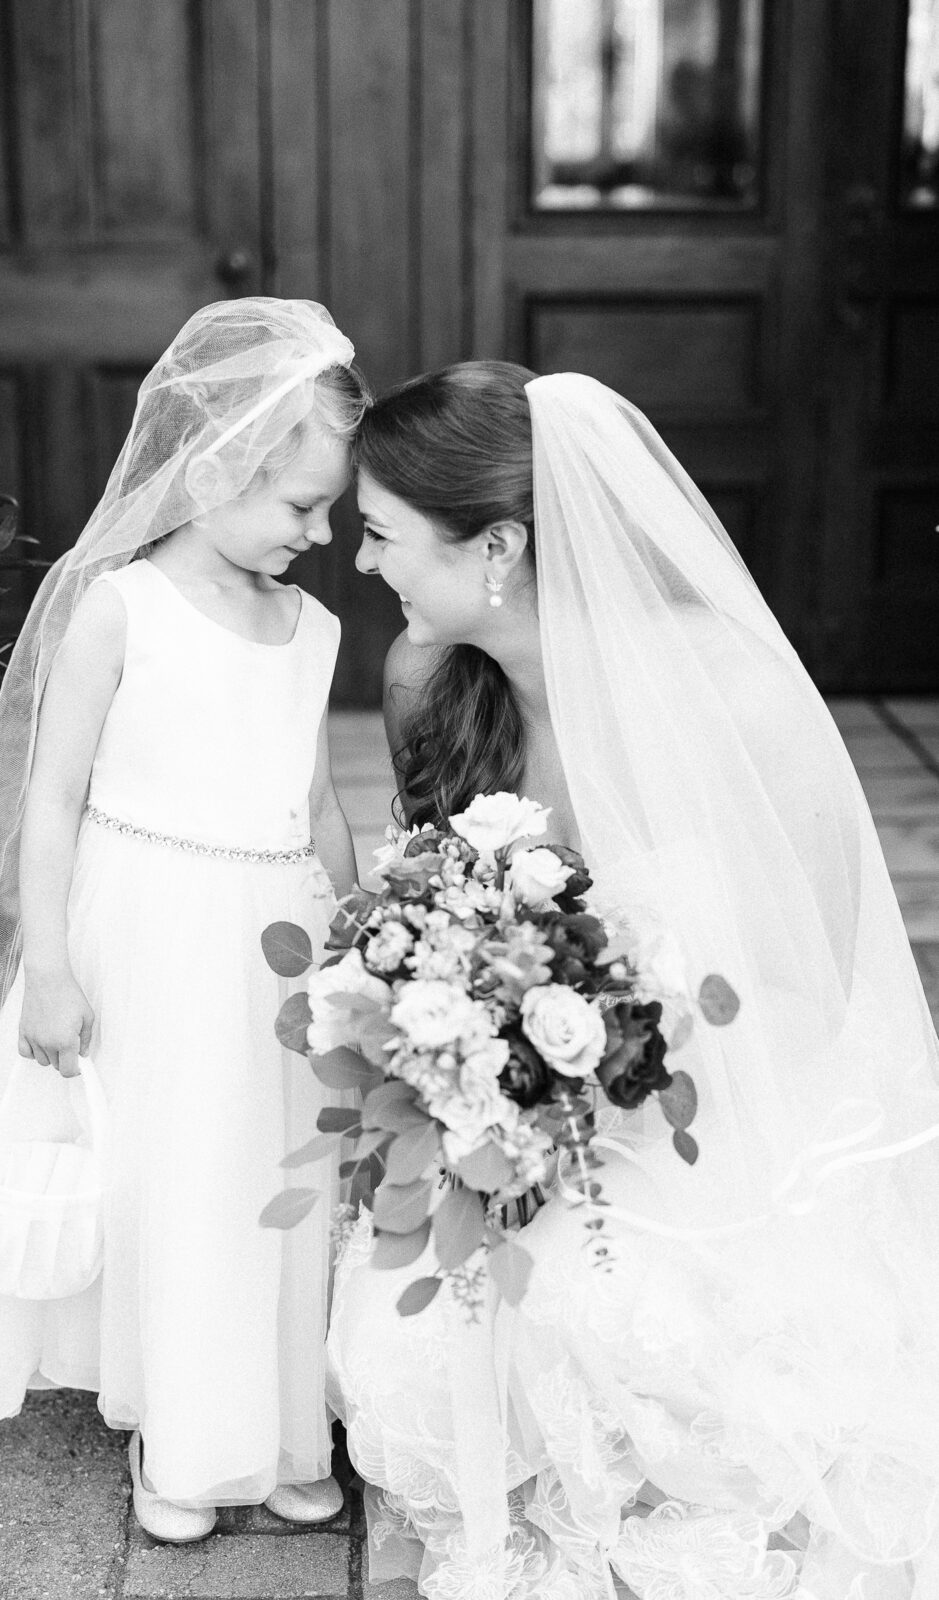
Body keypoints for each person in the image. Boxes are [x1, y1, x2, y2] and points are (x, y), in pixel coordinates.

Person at [328, 361, 939, 1598]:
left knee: (673, 1370)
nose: (359, 562)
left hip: (721, 1113)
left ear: (493, 545)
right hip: (512, 1112)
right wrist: (470, 1063)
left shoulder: (738, 702)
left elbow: (814, 985)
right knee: (434, 1337)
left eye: (381, 533)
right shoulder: (423, 680)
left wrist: (617, 1088)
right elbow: (435, 898)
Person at [0, 299, 367, 1543]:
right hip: (146, 933)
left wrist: (359, 936)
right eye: (301, 505)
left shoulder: (314, 628)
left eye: (332, 508)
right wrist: (53, 966)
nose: (322, 532)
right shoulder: (120, 609)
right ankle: (183, 1438)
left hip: (270, 941)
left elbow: (316, 802)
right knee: (176, 1174)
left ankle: (284, 1424)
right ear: (220, 465)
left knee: (273, 1175)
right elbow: (52, 800)